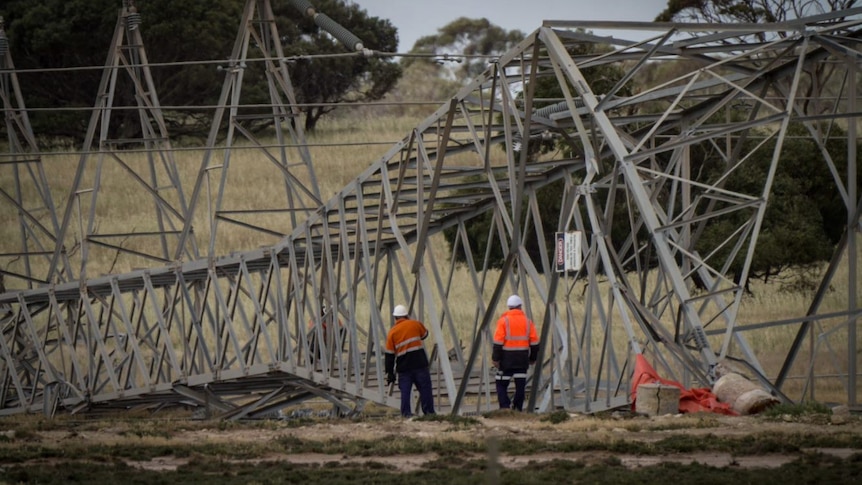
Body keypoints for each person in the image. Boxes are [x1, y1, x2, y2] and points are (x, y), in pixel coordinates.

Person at [385, 304, 436, 417]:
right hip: (420, 364)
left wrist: (389, 373)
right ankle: (429, 413)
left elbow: (389, 355)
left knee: (405, 392)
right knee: (425, 389)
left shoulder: (392, 332)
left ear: (395, 318)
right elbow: (425, 335)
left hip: (404, 367)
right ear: (407, 315)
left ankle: (406, 415)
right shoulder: (416, 324)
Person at [492, 294, 539, 411]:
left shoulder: (503, 321)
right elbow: (534, 343)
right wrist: (533, 358)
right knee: (520, 386)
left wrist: (495, 359)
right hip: (522, 359)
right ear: (520, 307)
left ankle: (505, 407)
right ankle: (517, 408)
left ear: (509, 307)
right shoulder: (528, 322)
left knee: (501, 383)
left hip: (506, 359)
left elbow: (498, 342)